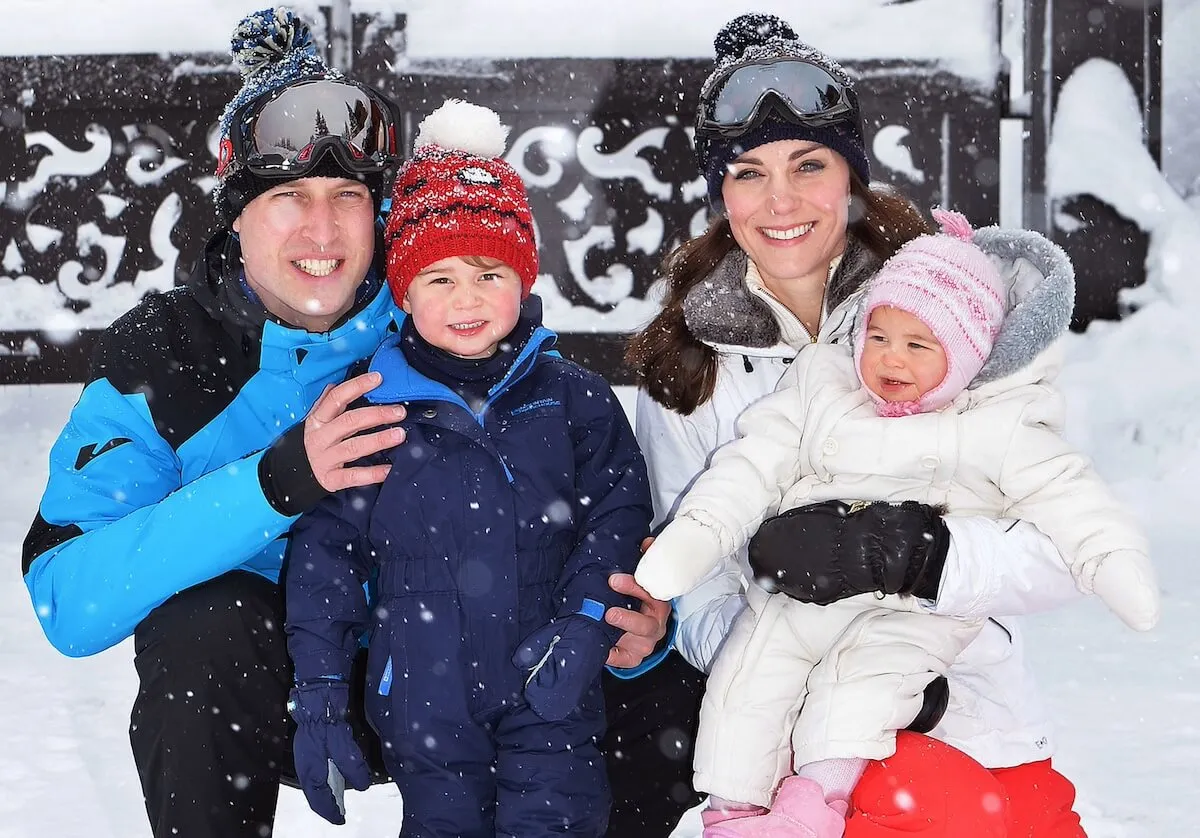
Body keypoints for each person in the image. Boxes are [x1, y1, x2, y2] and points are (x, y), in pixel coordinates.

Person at [20, 9, 673, 838]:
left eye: (348, 198)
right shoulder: (166, 355)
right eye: (287, 197)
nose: (322, 230)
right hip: (295, 682)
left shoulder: (440, 312)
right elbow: (66, 602)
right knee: (199, 634)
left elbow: (584, 497)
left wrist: (642, 628)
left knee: (669, 683)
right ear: (236, 213)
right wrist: (272, 484)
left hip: (486, 664)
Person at [625, 12, 1107, 837]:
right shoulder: (690, 368)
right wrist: (801, 643)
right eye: (748, 173)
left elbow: (1064, 548)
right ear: (721, 195)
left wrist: (915, 557)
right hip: (799, 739)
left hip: (971, 710)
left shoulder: (953, 312)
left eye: (809, 165)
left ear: (850, 177)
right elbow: (697, 589)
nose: (780, 201)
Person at [635, 207, 1159, 836]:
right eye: (879, 338)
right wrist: (702, 542)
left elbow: (1069, 506)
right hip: (794, 606)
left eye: (917, 345)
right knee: (748, 680)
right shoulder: (797, 383)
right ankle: (736, 811)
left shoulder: (992, 415)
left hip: (930, 647)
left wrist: (920, 554)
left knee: (863, 694)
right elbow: (743, 474)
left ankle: (811, 806)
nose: (891, 359)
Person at [282, 98, 653, 836]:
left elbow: (617, 513)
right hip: (425, 705)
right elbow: (325, 558)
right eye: (440, 278)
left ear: (524, 280)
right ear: (405, 291)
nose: (467, 299)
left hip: (549, 686)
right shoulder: (371, 408)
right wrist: (322, 692)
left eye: (489, 273)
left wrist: (584, 621)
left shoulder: (572, 397)